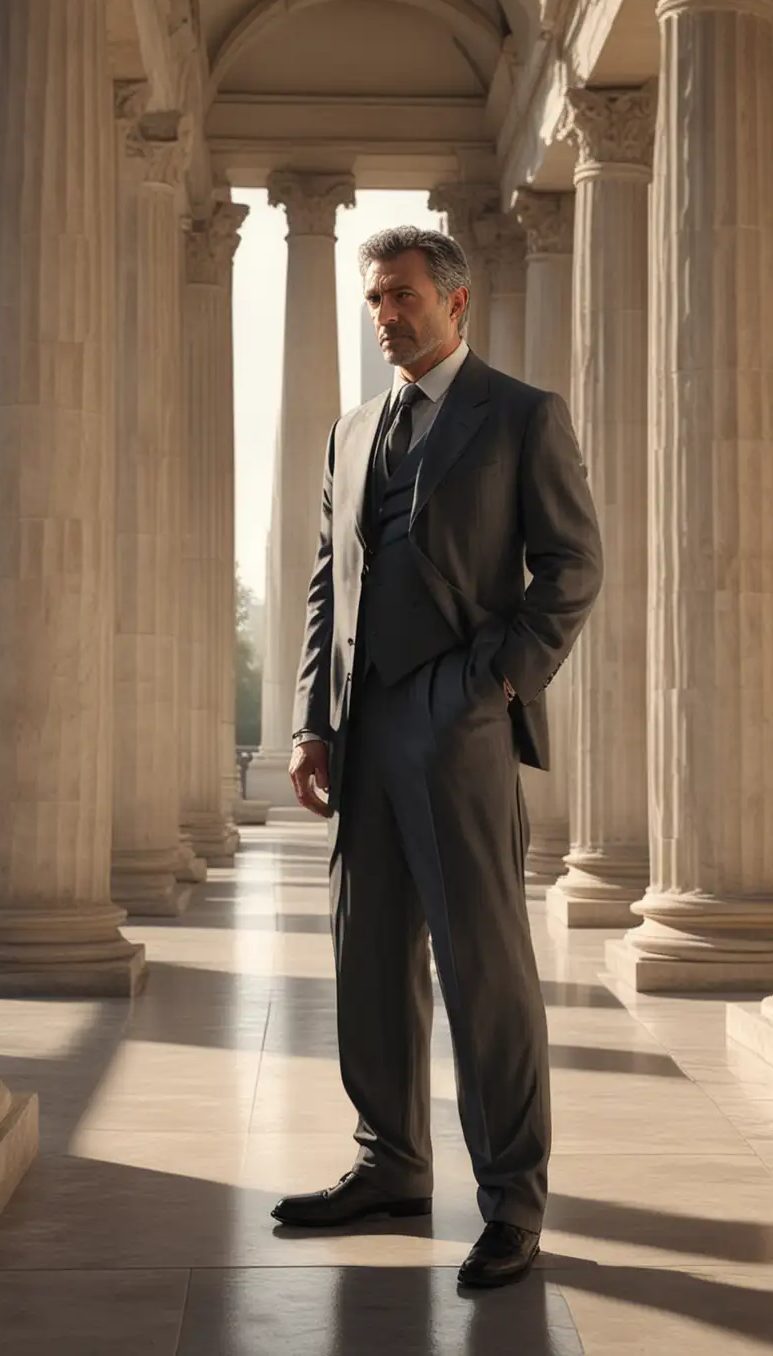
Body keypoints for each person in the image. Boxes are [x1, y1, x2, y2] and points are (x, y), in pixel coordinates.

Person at [271, 224, 603, 1289]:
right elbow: (330, 580)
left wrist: (490, 684)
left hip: (457, 727)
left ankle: (511, 1202)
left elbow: (573, 566)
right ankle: (391, 1164)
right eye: (374, 299)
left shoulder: (521, 417)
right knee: (368, 959)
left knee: (483, 974)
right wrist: (309, 718)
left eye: (402, 297)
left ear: (456, 303)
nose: (385, 316)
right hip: (363, 729)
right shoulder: (352, 430)